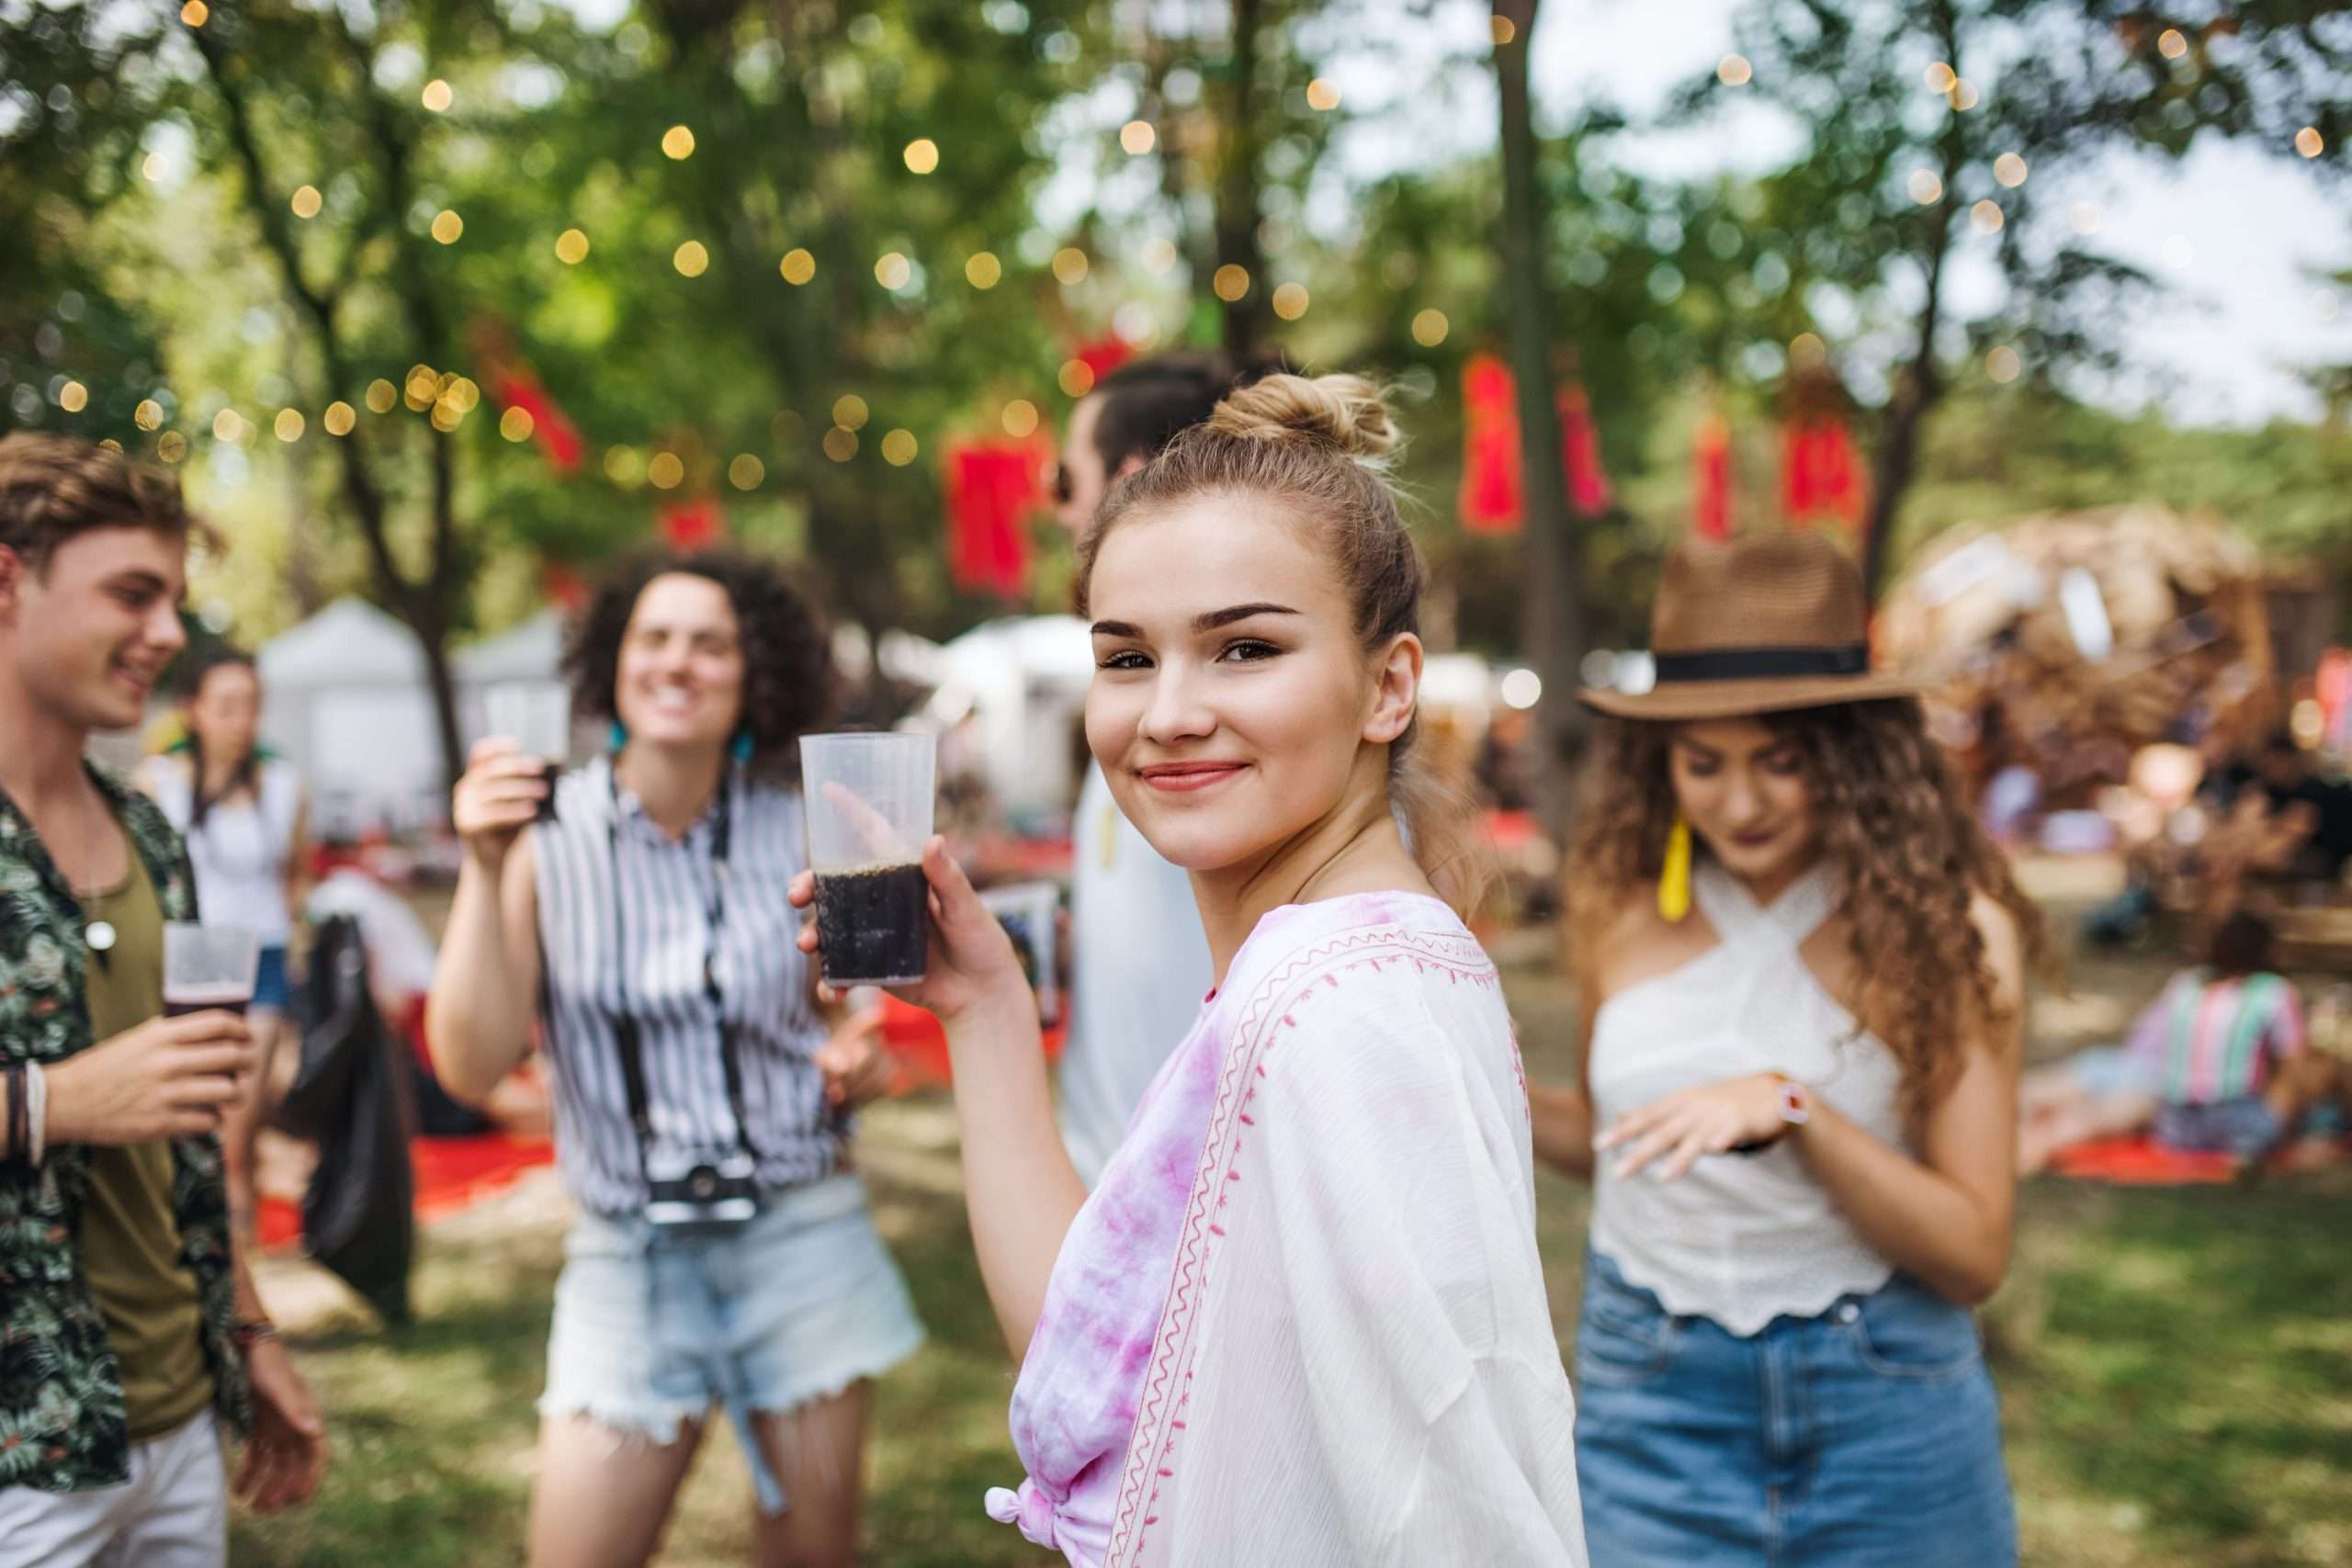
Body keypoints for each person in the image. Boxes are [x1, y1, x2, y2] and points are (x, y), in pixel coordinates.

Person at [797, 375, 1589, 1565]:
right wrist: (985, 1002)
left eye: (1245, 647)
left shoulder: (1341, 1003)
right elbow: (1100, 1356)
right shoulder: (1318, 968)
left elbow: (1453, 1516)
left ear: (1389, 684)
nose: (1167, 712)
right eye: (1126, 658)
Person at [1527, 531, 2034, 1567]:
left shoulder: (1943, 928)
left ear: (1852, 754)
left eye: (1781, 761)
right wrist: (1484, 1075)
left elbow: (1973, 1251)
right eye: (1702, 763)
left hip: (1884, 1400)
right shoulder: (1617, 907)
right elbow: (1614, 1141)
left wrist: (1797, 1112)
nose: (1740, 802)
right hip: (1649, 1399)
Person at [427, 549, 922, 1568]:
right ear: (614, 663)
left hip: (799, 1239)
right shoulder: (539, 834)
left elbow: (841, 1016)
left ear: (753, 675)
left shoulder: (802, 823)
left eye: (711, 643)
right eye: (654, 638)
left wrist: (857, 1054)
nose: (678, 663)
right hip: (627, 1258)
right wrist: (481, 868)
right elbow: (469, 1067)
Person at [0, 432, 326, 1566]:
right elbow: (88, 1101)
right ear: (8, 580)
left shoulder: (148, 830)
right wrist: (48, 1102)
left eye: (175, 601)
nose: (170, 636)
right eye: (133, 595)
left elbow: (188, 1136)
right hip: (19, 1457)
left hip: (181, 1424)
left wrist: (249, 1330)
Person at [1049, 352, 1278, 1184]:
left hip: (1202, 1208)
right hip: (1111, 1192)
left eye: (1061, 480)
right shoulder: (1137, 702)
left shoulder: (1213, 733)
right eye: (1128, 661)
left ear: (1132, 479)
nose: (1058, 510)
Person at [137, 647, 308, 1239]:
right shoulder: (158, 784)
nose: (242, 719)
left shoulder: (283, 785)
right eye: (227, 705)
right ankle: (221, 1235)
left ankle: (240, 1239)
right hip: (194, 960)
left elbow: (295, 878)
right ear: (193, 710)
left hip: (262, 956)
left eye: (251, 705)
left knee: (245, 1109)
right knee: (205, 1114)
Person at [2139, 909, 2337, 1165]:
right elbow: (2296, 1065)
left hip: (2174, 1128)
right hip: (2236, 1125)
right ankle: (2271, 1142)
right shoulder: (2273, 991)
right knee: (2323, 1073)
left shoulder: (2185, 984)